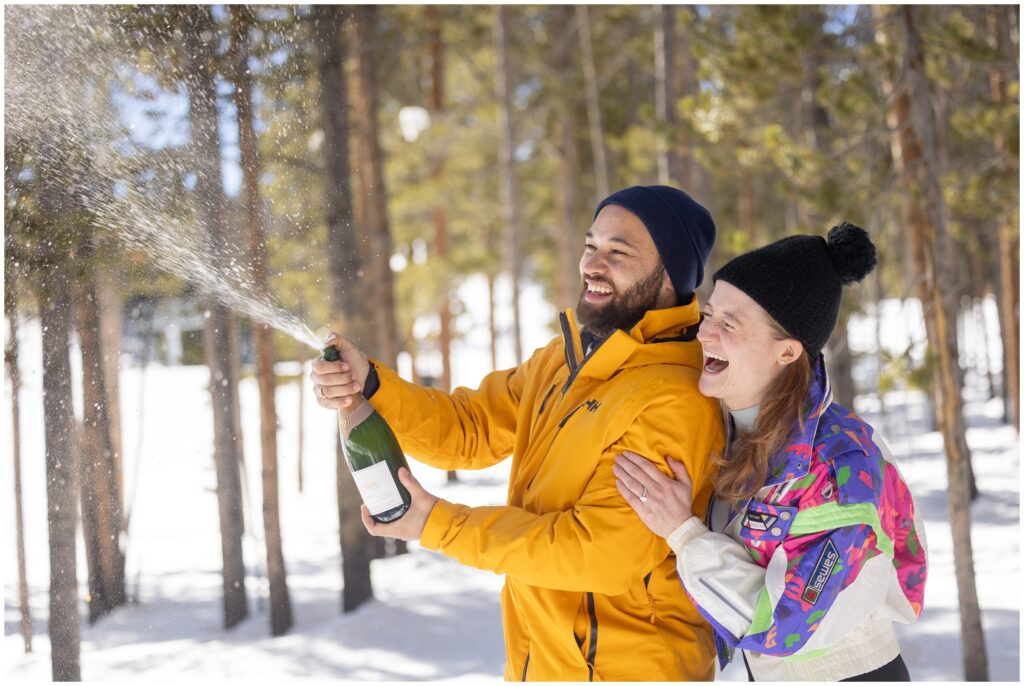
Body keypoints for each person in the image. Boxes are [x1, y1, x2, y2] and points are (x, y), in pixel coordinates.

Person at [312, 186, 726, 681]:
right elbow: (470, 428)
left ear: (671, 274)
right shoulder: (565, 359)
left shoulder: (674, 398)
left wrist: (440, 525)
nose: (594, 264)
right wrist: (372, 384)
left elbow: (597, 553)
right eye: (591, 246)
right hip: (543, 664)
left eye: (619, 252)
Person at [612, 223, 927, 681]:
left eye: (729, 324)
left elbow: (781, 623)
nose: (706, 335)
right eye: (709, 315)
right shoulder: (726, 423)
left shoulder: (839, 467)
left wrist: (683, 534)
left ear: (786, 352)